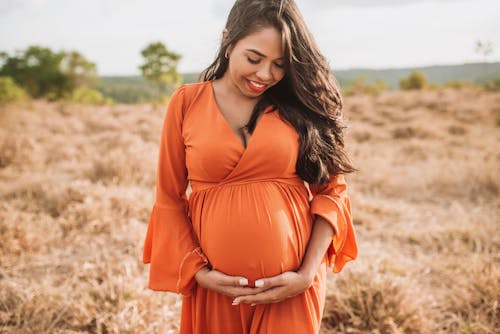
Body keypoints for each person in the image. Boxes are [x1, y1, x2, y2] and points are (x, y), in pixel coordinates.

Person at [142, 0, 358, 333]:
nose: (265, 75)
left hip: (292, 290)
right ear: (229, 42)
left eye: (280, 65)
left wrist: (305, 275)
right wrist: (200, 273)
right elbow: (169, 199)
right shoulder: (186, 103)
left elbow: (333, 191)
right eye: (254, 59)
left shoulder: (297, 107)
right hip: (216, 292)